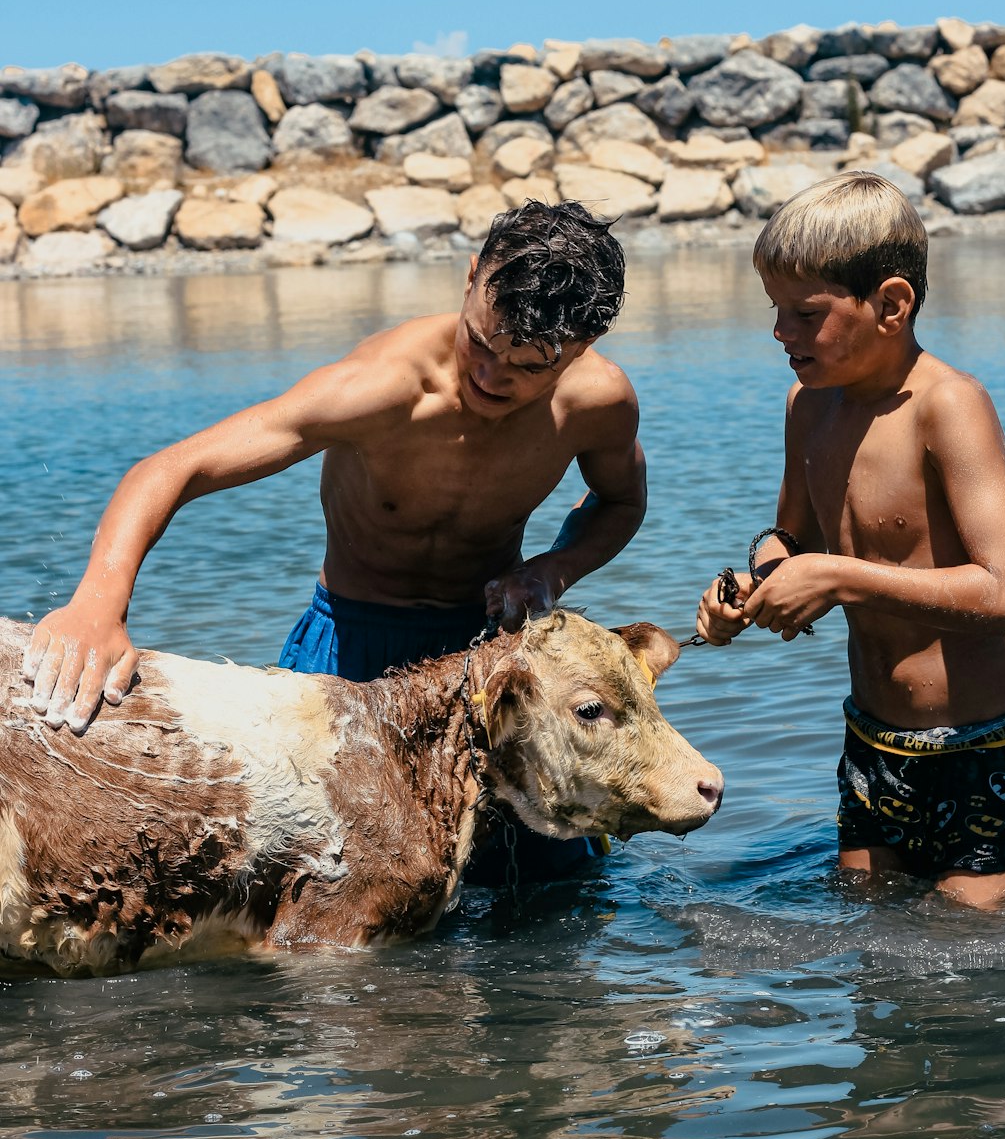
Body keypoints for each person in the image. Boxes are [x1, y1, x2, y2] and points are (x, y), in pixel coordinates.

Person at [23, 203, 646, 844]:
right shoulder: (381, 389)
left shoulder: (598, 403)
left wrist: (551, 569)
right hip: (349, 644)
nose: (489, 375)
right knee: (314, 878)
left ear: (581, 348)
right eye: (479, 343)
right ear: (469, 280)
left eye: (526, 368)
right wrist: (99, 605)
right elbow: (175, 468)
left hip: (483, 648)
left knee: (550, 881)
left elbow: (619, 502)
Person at [695, 172, 1005, 909]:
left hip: (982, 746)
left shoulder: (950, 408)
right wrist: (754, 590)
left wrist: (839, 577)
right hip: (874, 742)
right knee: (870, 960)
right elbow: (789, 535)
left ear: (890, 305)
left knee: (962, 955)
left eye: (806, 314)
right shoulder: (808, 405)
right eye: (775, 310)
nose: (779, 333)